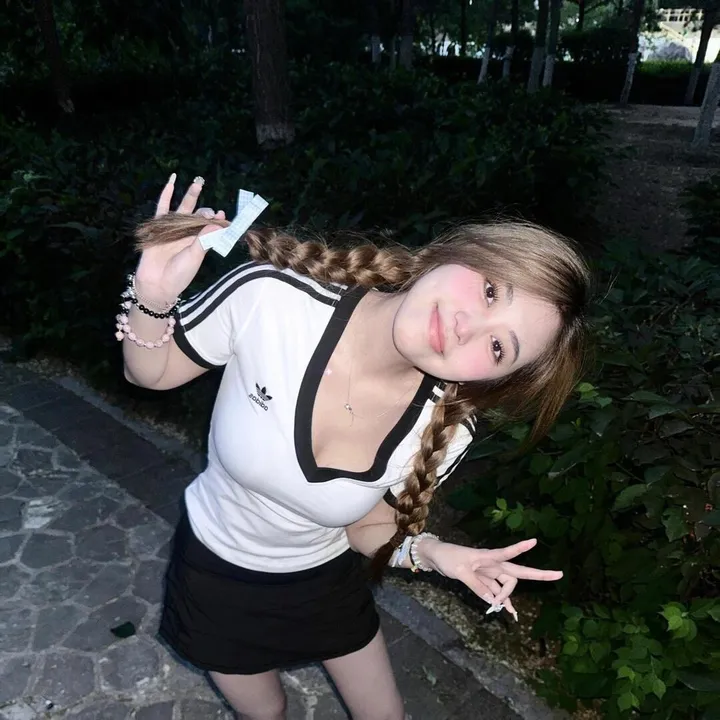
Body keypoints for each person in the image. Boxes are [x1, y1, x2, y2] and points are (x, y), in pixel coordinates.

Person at [120, 175, 590, 720]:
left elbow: (363, 526)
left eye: (498, 347)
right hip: (215, 572)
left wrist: (435, 553)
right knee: (266, 712)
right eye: (490, 291)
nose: (467, 327)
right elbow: (150, 373)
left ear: (492, 380)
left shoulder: (443, 427)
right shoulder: (272, 297)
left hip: (323, 578)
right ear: (460, 251)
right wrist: (152, 296)